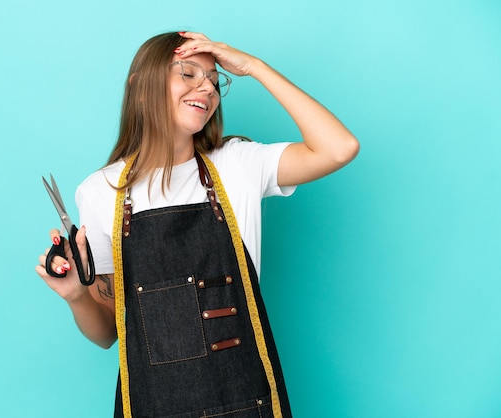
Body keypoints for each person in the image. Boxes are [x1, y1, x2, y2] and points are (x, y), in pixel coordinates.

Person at [35, 31, 359, 418]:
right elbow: (109, 333)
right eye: (188, 73)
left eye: (214, 79)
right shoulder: (100, 191)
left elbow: (340, 148)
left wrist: (255, 67)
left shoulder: (238, 164)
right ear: (141, 88)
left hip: (245, 401)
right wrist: (76, 295)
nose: (206, 87)